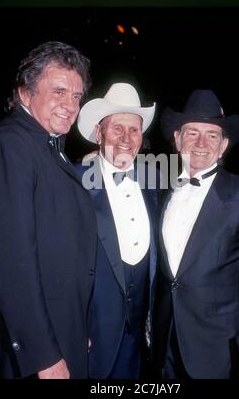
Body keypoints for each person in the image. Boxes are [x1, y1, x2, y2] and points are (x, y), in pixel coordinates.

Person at [0, 41, 97, 379]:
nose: (70, 105)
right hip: (33, 351)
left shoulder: (49, 147)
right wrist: (42, 354)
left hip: (62, 331)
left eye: (76, 96)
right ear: (25, 93)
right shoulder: (9, 144)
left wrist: (77, 328)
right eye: (59, 92)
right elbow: (11, 259)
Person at [153, 89, 239, 379]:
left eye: (212, 135)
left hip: (220, 350)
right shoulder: (161, 194)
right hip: (164, 344)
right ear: (177, 139)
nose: (200, 143)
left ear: (223, 146)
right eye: (192, 132)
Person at [76, 82, 159, 379]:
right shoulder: (73, 183)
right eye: (117, 128)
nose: (126, 138)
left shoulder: (154, 182)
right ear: (99, 134)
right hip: (88, 339)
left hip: (138, 339)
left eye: (134, 129)